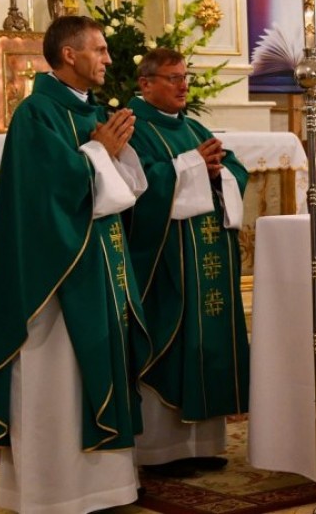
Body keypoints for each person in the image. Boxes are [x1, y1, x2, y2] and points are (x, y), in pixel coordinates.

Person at [0, 15, 152, 512]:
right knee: (57, 376)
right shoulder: (38, 114)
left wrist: (111, 153)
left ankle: (106, 486)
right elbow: (47, 194)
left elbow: (126, 187)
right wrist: (100, 152)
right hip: (54, 277)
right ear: (69, 55)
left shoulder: (90, 112)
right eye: (99, 49)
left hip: (99, 265)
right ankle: (54, 491)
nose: (109, 58)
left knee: (95, 364)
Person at [125, 48, 250, 477]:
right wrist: (195, 166)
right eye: (173, 78)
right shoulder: (132, 127)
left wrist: (217, 172)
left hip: (205, 263)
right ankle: (161, 451)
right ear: (145, 84)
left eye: (185, 77)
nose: (183, 86)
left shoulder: (192, 126)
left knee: (205, 343)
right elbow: (138, 185)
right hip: (166, 263)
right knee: (173, 343)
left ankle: (202, 445)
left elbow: (233, 168)